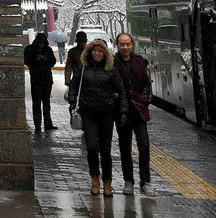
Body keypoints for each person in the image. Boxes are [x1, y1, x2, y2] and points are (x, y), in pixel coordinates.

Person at [67, 38, 127, 196]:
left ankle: (108, 183)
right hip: (88, 113)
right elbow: (73, 86)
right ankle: (95, 179)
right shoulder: (83, 67)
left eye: (101, 51)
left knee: (105, 150)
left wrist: (122, 111)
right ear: (89, 52)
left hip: (106, 113)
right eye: (95, 50)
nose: (97, 54)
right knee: (92, 147)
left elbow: (121, 91)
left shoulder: (111, 69)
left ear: (105, 53)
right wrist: (73, 105)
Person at [113, 31, 155, 196]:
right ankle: (128, 181)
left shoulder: (139, 62)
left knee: (144, 146)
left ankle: (145, 181)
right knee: (125, 147)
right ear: (117, 45)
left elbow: (146, 82)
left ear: (132, 45)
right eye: (122, 44)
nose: (125, 47)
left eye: (128, 44)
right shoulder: (113, 64)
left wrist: (144, 98)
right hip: (122, 111)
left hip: (139, 110)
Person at [24, 31, 57, 131]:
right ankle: (37, 124)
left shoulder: (48, 50)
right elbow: (26, 61)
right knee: (36, 103)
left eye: (43, 43)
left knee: (46, 103)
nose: (41, 45)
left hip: (47, 80)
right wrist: (36, 59)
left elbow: (53, 62)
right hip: (36, 80)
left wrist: (46, 59)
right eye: (40, 43)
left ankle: (48, 123)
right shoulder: (29, 49)